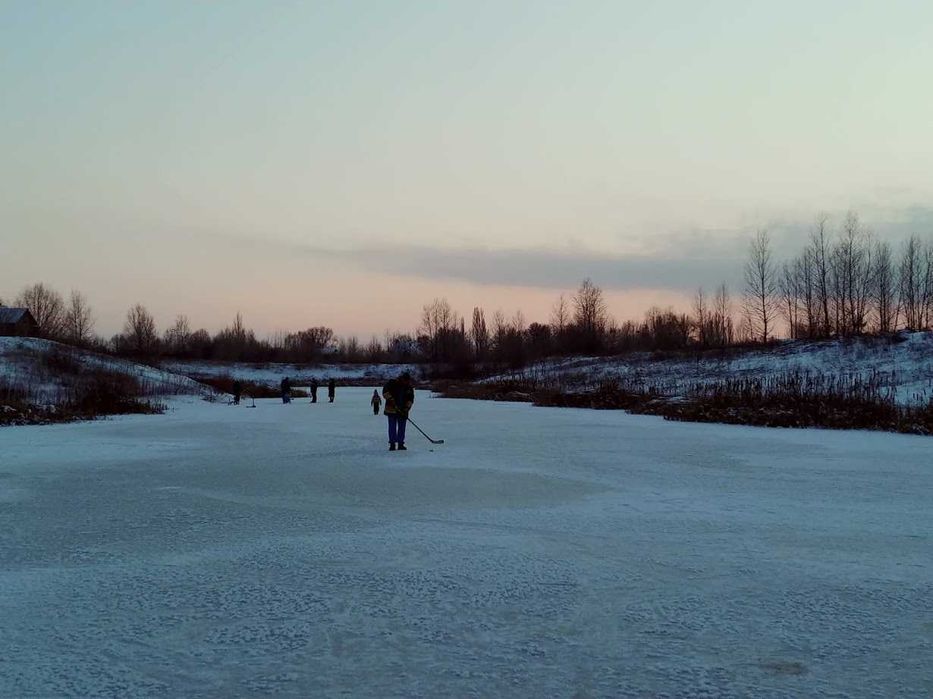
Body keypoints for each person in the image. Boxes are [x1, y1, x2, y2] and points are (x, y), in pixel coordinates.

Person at [382, 372, 414, 451]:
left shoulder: (409, 387)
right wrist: (391, 400)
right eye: (405, 380)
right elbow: (385, 392)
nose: (406, 382)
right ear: (402, 378)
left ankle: (400, 444)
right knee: (392, 427)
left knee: (402, 428)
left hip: (403, 411)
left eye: (408, 381)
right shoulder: (392, 383)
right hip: (391, 410)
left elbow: (410, 399)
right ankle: (392, 444)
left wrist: (406, 408)